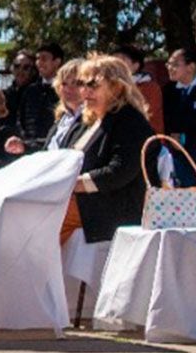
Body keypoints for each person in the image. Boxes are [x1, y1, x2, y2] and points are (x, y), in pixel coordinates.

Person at [63, 54, 158, 247]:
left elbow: (119, 172)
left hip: (113, 206)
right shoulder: (86, 122)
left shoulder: (130, 121)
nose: (85, 91)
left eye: (93, 85)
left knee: (41, 218)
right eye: (82, 84)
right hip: (79, 199)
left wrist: (73, 184)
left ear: (117, 87)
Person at [6, 59, 85, 154]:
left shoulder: (91, 119)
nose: (69, 89)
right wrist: (24, 146)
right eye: (64, 83)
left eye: (77, 83)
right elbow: (50, 146)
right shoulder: (64, 116)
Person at [162, 48, 196, 171]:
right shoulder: (168, 90)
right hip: (181, 153)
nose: (169, 68)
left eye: (174, 64)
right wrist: (172, 134)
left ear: (191, 67)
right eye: (168, 64)